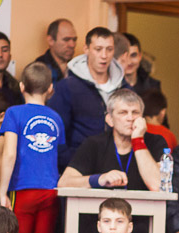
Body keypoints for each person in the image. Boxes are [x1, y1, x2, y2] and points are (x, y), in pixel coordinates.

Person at [0, 62, 65, 233]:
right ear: (50, 89)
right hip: (51, 190)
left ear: (22, 86)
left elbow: (10, 154)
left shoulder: (14, 113)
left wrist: (3, 191)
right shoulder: (56, 118)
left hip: (23, 188)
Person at [49, 27, 127, 170]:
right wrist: (72, 162)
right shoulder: (67, 87)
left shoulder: (124, 88)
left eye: (109, 49)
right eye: (98, 49)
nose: (104, 55)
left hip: (117, 166)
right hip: (79, 167)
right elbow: (55, 132)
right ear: (86, 49)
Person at [35, 18, 78, 83]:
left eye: (74, 40)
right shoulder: (37, 70)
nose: (72, 45)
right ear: (51, 40)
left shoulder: (79, 67)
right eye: (66, 40)